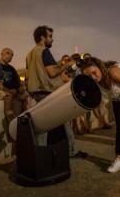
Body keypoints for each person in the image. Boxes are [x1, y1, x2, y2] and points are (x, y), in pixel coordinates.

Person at [26, 25, 87, 158]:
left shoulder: (30, 54)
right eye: (50, 36)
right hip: (46, 93)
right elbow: (52, 72)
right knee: (62, 121)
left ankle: (39, 156)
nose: (52, 40)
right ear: (42, 37)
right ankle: (70, 151)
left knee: (42, 127)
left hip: (36, 94)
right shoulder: (44, 51)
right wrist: (67, 64)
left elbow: (28, 77)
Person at [81, 58, 120, 174]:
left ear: (100, 67)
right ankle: (119, 159)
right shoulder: (94, 83)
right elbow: (101, 103)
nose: (93, 77)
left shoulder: (112, 72)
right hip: (118, 98)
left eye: (94, 73)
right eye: (89, 76)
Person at [0, 48, 30, 124]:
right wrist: (10, 91)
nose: (10, 56)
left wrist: (20, 88)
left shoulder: (12, 68)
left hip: (12, 91)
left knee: (26, 95)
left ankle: (26, 118)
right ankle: (11, 124)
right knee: (8, 96)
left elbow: (18, 82)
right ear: (2, 54)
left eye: (12, 55)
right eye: (8, 53)